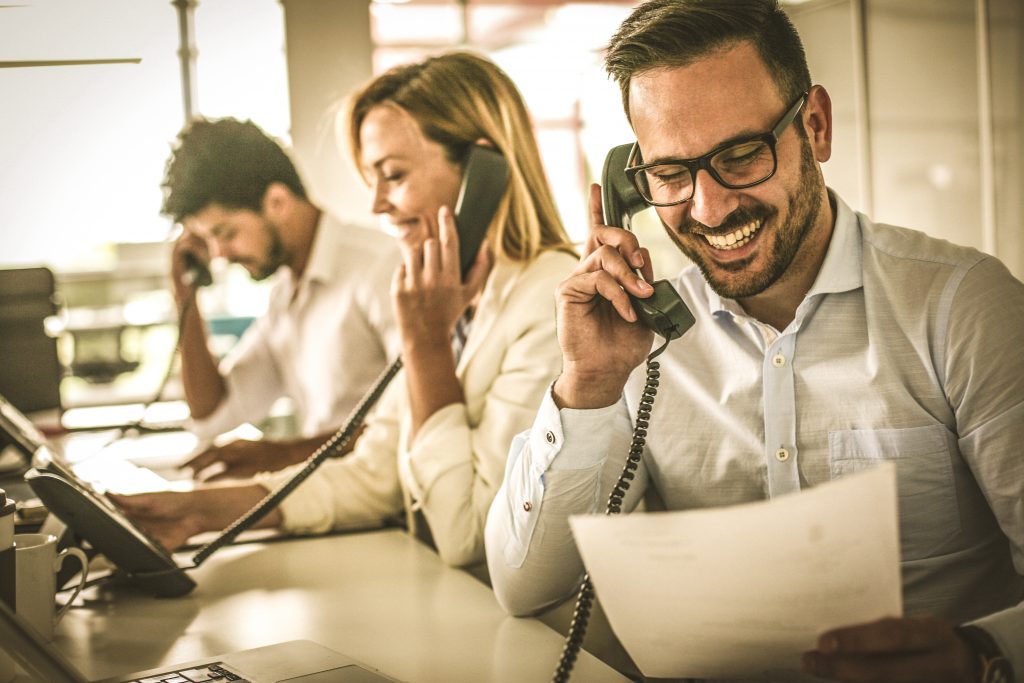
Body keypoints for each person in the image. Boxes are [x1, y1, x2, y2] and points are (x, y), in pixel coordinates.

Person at [484, 1, 1024, 681]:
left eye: (741, 154)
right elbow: (522, 583)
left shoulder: (964, 308)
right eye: (672, 174)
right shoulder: (640, 338)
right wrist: (587, 383)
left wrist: (981, 653)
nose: (710, 208)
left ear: (816, 126)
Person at [113, 52, 577, 569]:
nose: (377, 204)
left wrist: (425, 346)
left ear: (481, 172)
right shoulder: (452, 294)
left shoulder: (549, 300)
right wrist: (196, 510)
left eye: (393, 175)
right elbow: (375, 473)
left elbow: (465, 532)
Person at [161, 117, 401, 479]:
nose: (220, 255)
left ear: (277, 202)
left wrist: (284, 455)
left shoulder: (380, 267)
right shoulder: (285, 296)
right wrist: (185, 297)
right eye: (208, 240)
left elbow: (417, 422)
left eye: (226, 233)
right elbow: (212, 414)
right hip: (331, 503)